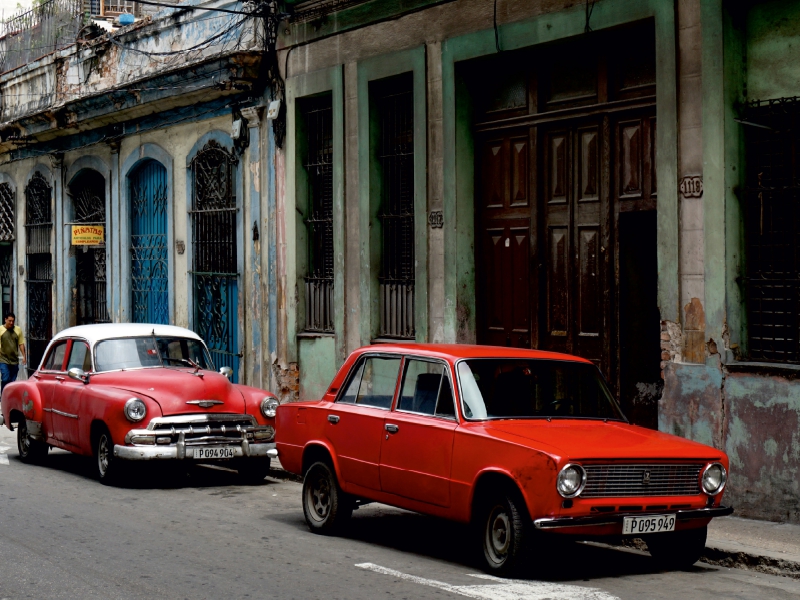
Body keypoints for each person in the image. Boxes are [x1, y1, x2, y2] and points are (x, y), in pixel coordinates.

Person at [0, 312, 26, 392]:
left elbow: (21, 343)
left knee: (12, 381)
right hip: (3, 359)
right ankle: (3, 396)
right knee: (5, 378)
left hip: (14, 361)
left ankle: (9, 397)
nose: (11, 323)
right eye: (9, 321)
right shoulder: (1, 329)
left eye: (13, 321)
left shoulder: (17, 330)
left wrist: (24, 356)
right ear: (5, 320)